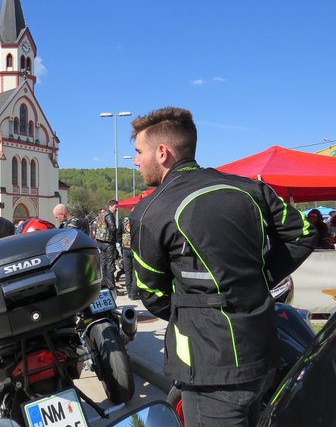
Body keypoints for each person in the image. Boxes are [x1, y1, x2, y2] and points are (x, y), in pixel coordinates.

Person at [129, 107, 317, 427]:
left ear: (163, 152)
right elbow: (305, 234)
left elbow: (150, 293)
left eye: (138, 152)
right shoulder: (250, 189)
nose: (135, 161)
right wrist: (254, 279)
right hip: (263, 352)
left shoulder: (151, 210)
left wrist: (196, 307)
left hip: (210, 367)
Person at [95, 200, 118, 290]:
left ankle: (104, 285)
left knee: (103, 265)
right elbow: (112, 228)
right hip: (108, 243)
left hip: (100, 242)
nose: (116, 209)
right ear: (110, 206)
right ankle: (112, 287)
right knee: (110, 266)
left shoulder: (101, 214)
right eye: (115, 207)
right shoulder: (109, 215)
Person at [119, 217, 138, 300]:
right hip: (134, 249)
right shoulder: (136, 222)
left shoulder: (123, 223)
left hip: (125, 248)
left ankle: (129, 291)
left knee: (127, 271)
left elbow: (118, 235)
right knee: (135, 271)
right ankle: (133, 293)